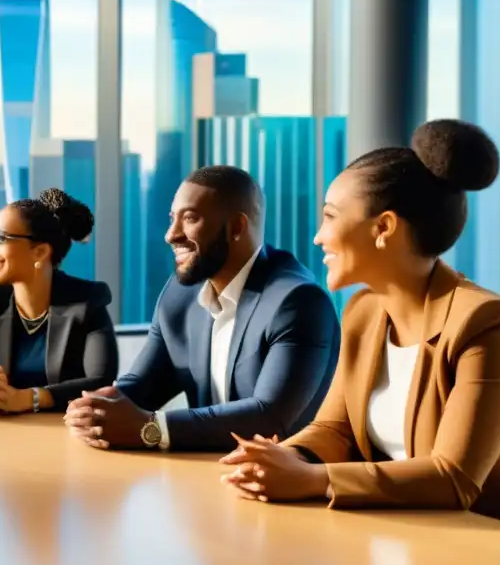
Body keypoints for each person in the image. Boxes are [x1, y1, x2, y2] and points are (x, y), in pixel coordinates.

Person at [221, 119, 500, 532]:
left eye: (329, 216)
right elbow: (333, 427)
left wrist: (311, 479)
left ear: (384, 228)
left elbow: (453, 479)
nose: (318, 237)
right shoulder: (364, 312)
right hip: (411, 537)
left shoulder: (488, 325)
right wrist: (283, 458)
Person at [65, 166, 340, 451]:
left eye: (190, 218)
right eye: (173, 219)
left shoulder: (297, 301)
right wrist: (96, 407)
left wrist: (153, 428)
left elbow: (268, 417)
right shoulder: (180, 293)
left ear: (236, 228)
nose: (171, 235)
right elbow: (144, 385)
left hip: (288, 483)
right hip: (206, 473)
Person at [0, 188, 118, 415]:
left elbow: (100, 382)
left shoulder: (87, 301)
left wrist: (26, 398)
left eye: (0, 238)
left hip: (65, 436)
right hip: (0, 439)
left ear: (40, 252)